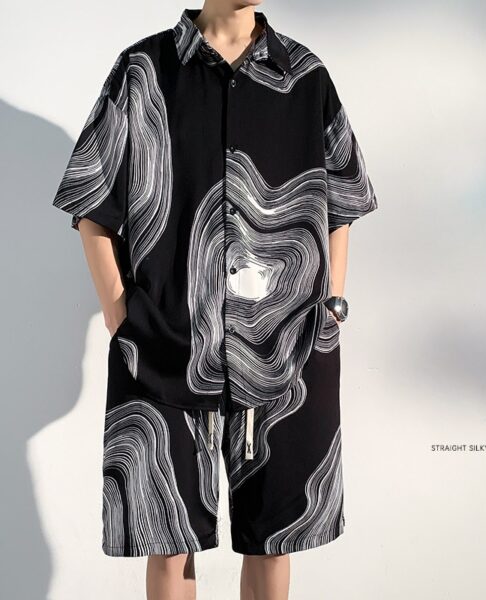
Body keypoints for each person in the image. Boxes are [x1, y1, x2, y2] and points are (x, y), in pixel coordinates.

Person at [51, 2, 378, 599]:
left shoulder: (305, 76)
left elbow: (343, 202)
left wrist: (332, 306)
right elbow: (90, 204)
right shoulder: (144, 71)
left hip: (287, 351)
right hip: (161, 348)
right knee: (168, 542)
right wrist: (123, 317)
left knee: (274, 541)